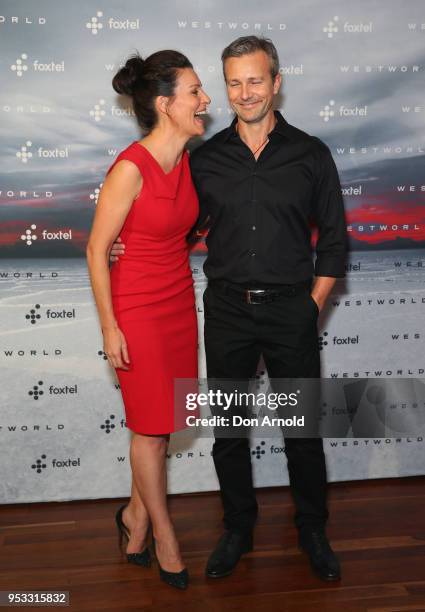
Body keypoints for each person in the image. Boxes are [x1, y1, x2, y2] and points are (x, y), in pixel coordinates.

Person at [111, 36, 347, 582]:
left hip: (293, 310)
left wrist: (309, 308)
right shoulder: (207, 158)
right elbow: (175, 226)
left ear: (276, 83)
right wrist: (125, 242)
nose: (244, 93)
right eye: (234, 82)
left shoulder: (312, 154)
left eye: (255, 80)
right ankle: (237, 528)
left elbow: (333, 243)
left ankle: (312, 528)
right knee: (230, 433)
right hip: (227, 313)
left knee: (303, 432)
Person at [87, 49, 210, 590]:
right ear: (166, 104)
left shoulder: (185, 159)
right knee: (150, 430)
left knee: (164, 425)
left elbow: (175, 231)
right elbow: (96, 250)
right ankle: (165, 537)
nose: (205, 101)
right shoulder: (130, 168)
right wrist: (111, 327)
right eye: (195, 92)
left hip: (179, 300)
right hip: (136, 307)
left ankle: (134, 519)